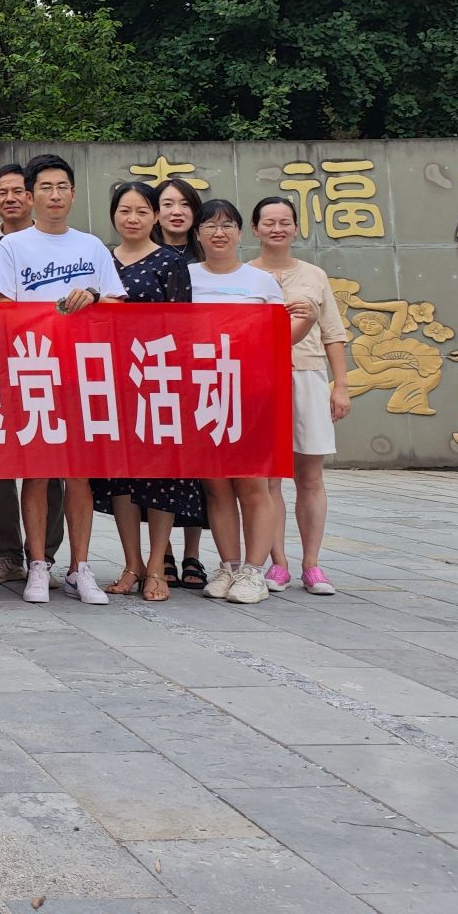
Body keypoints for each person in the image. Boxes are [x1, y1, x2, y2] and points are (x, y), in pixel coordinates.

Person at [0, 153, 125, 606]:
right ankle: (38, 564)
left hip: (83, 373)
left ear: (73, 193)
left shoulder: (92, 246)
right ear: (31, 196)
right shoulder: (14, 246)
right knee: (37, 473)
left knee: (79, 475)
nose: (54, 195)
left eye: (62, 186)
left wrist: (95, 298)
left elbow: (119, 306)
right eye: (45, 187)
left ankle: (80, 567)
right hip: (33, 369)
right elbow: (1, 307)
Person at [93, 182, 201, 603]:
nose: (132, 218)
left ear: (154, 216)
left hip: (159, 381)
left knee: (161, 476)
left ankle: (157, 565)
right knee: (121, 477)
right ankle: (131, 563)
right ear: (113, 215)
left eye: (141, 211)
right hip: (112, 381)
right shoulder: (100, 260)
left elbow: (183, 326)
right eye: (124, 210)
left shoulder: (171, 261)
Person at [187, 199, 287, 606]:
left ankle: (253, 571)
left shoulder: (261, 282)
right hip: (202, 391)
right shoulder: (186, 277)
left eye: (227, 225)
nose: (219, 233)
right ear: (197, 234)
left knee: (252, 483)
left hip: (251, 393)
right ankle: (228, 566)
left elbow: (278, 339)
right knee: (216, 486)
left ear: (240, 233)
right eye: (210, 226)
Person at [250, 195, 351, 595]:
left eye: (284, 222)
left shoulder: (314, 275)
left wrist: (340, 386)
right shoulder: (245, 275)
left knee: (310, 475)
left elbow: (333, 334)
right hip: (260, 380)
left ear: (295, 228)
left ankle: (312, 564)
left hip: (308, 376)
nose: (277, 229)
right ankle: (278, 563)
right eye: (268, 222)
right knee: (268, 478)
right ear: (255, 229)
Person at [0, 162, 62, 588]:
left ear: (31, 196)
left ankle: (46, 555)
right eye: (2, 192)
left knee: (50, 464)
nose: (11, 198)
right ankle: (7, 555)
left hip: (48, 363)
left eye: (18, 191)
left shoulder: (58, 243)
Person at [152, 177, 209, 588]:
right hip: (158, 372)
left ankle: (193, 554)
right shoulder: (146, 254)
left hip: (200, 372)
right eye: (168, 204)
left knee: (196, 468)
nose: (177, 211)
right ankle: (164, 554)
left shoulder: (208, 256)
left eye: (185, 204)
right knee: (160, 467)